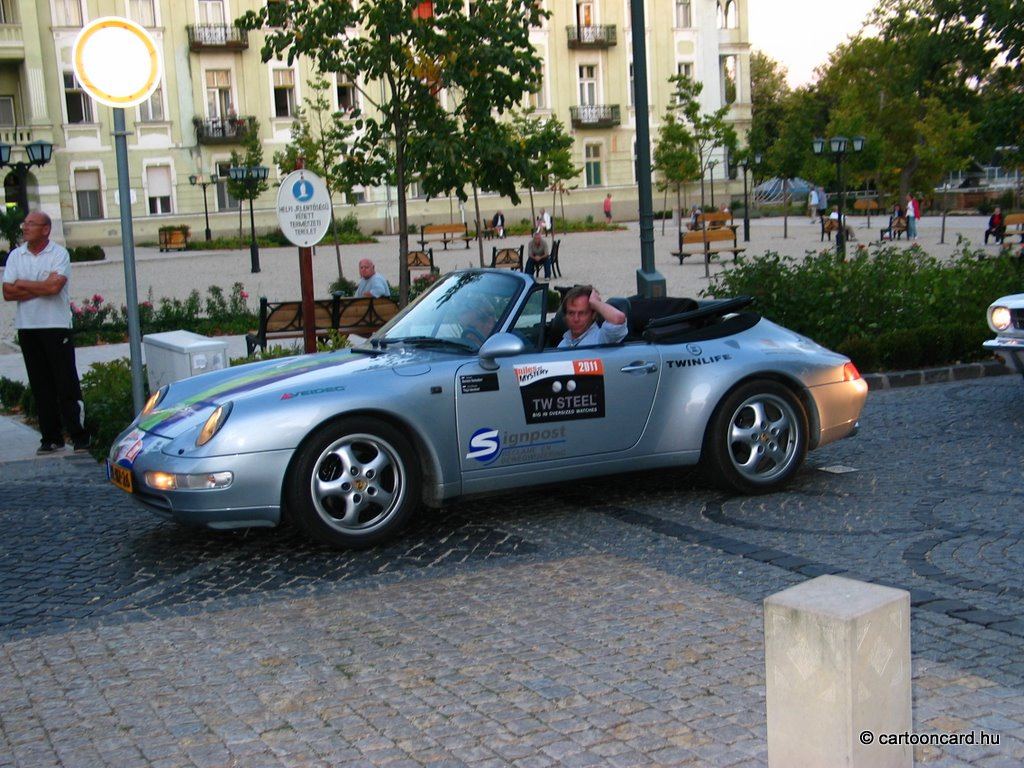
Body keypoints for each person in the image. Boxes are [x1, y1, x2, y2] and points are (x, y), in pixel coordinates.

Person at [2, 211, 90, 454]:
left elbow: (54, 287)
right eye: (25, 223)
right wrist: (41, 286)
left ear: (45, 229)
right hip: (28, 327)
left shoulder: (58, 254)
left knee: (66, 383)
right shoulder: (16, 256)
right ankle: (50, 438)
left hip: (56, 326)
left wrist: (24, 284)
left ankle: (79, 435)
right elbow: (8, 292)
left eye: (31, 224)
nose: (25, 227)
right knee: (41, 385)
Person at [557, 285, 627, 348]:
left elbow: (618, 319)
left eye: (582, 313)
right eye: (571, 313)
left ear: (593, 315)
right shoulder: (562, 345)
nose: (576, 319)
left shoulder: (601, 338)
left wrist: (595, 302)